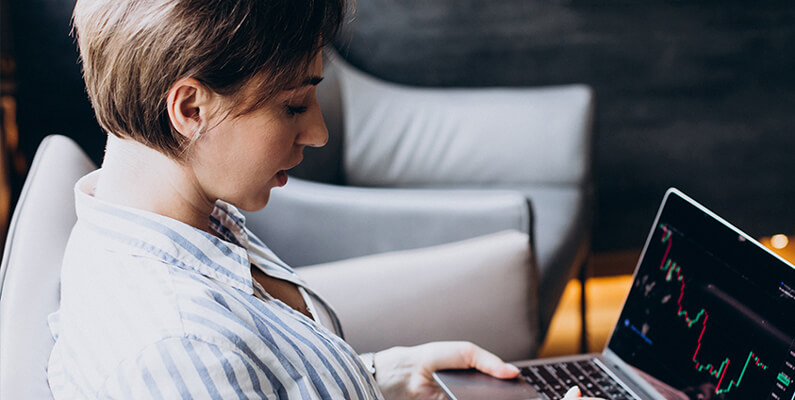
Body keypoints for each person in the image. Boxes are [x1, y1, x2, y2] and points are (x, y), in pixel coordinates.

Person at [49, 0, 601, 398]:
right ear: (191, 109)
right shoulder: (176, 350)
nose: (318, 133)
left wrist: (386, 378)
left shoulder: (179, 221)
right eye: (293, 105)